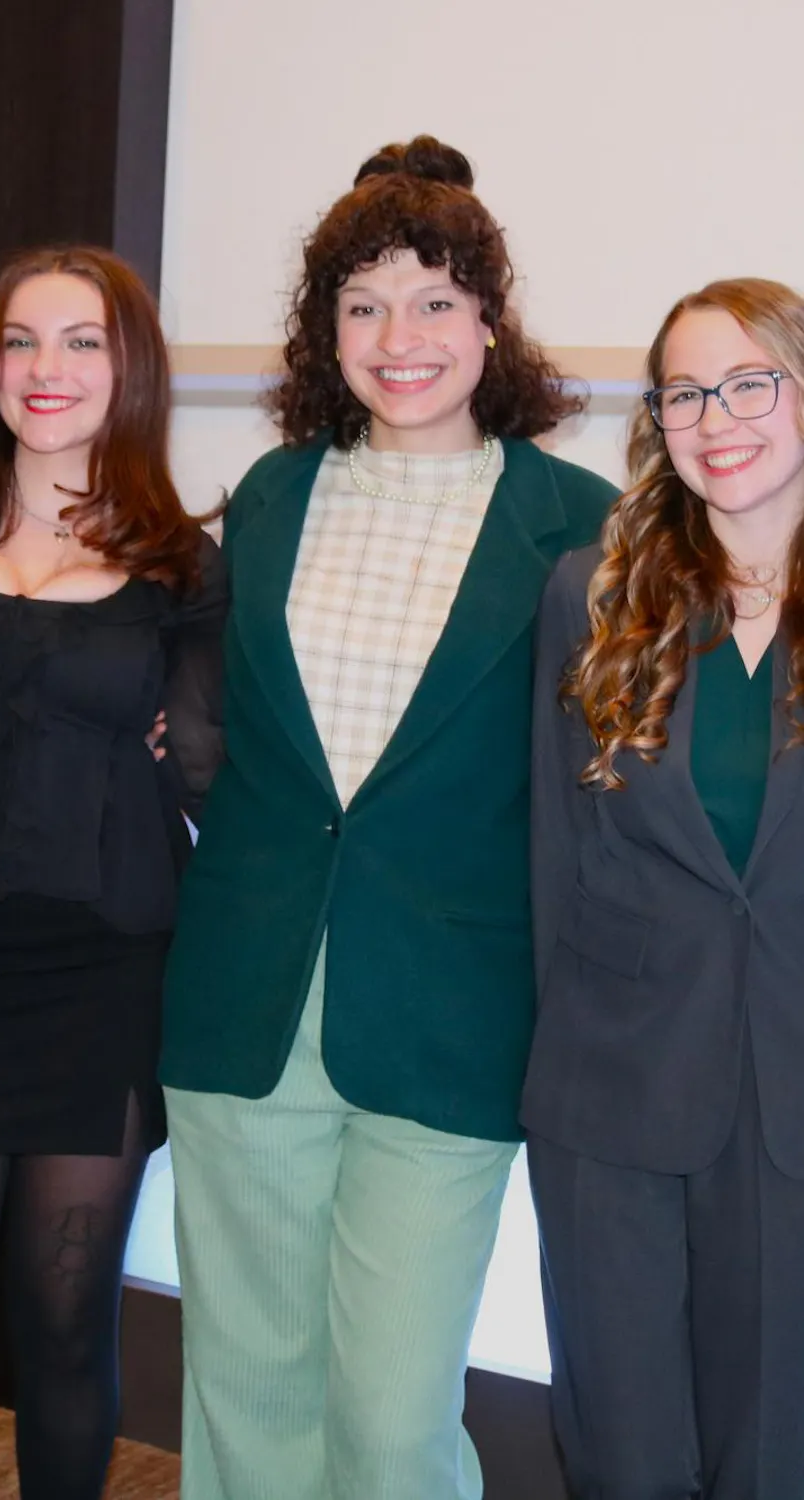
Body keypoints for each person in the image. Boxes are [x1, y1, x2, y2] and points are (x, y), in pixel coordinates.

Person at [158, 136, 617, 1499]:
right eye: (362, 305)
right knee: (245, 1390)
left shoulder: (576, 528)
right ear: (326, 333)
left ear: (489, 321)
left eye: (432, 301)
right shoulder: (274, 499)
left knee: (390, 1419)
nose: (397, 336)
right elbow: (219, 727)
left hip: (452, 1017)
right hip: (248, 997)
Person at [0, 244, 226, 1500]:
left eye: (83, 343)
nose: (46, 369)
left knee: (66, 1336)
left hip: (95, 988)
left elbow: (218, 776)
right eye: (21, 340)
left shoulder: (183, 566)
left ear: (131, 371)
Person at [524, 277, 804, 1499]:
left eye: (751, 381)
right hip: (614, 1094)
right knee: (626, 1453)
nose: (717, 416)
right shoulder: (594, 595)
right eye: (686, 390)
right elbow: (554, 856)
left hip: (791, 1105)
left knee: (772, 1451)